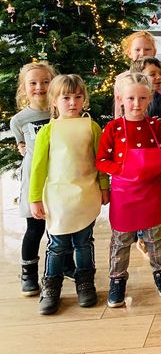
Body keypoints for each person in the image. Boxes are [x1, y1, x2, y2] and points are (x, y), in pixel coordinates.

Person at [29, 74, 109, 314]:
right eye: (66, 98)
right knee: (57, 244)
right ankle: (51, 288)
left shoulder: (91, 126)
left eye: (78, 97)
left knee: (84, 242)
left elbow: (100, 160)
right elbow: (39, 167)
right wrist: (34, 198)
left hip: (85, 194)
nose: (72, 102)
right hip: (58, 198)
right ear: (54, 101)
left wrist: (104, 186)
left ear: (84, 99)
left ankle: (85, 283)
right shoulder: (47, 131)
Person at [96, 73, 161, 308]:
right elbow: (101, 160)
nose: (136, 104)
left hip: (150, 192)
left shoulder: (154, 126)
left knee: (155, 238)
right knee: (120, 241)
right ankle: (117, 280)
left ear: (149, 98)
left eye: (142, 98)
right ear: (120, 99)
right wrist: (119, 168)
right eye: (131, 98)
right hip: (123, 193)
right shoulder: (113, 128)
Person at [10, 61, 66, 297]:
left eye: (45, 81)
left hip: (60, 177)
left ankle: (66, 266)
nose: (40, 87)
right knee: (35, 228)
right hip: (35, 180)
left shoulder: (62, 111)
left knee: (63, 226)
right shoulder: (19, 120)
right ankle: (29, 273)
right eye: (33, 83)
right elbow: (24, 147)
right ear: (24, 88)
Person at [117, 31, 161, 101]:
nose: (142, 53)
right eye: (137, 50)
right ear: (129, 53)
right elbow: (119, 107)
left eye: (147, 49)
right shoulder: (122, 78)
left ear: (154, 52)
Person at [130, 57, 161, 123]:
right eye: (152, 74)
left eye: (160, 73)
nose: (159, 77)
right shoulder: (132, 103)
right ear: (138, 77)